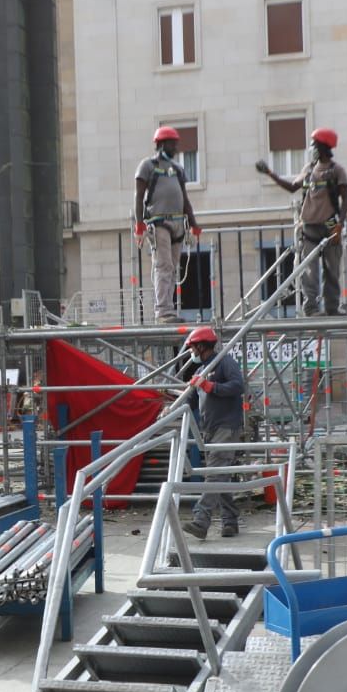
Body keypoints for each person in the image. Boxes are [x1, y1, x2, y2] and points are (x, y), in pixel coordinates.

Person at [257, 128, 347, 317]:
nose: (312, 148)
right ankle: (311, 308)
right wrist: (269, 173)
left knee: (332, 268)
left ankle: (332, 307)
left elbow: (345, 199)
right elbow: (292, 187)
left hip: (331, 223)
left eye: (315, 144)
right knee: (310, 271)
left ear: (324, 146)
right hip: (309, 225)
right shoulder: (308, 169)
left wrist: (340, 223)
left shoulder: (337, 170)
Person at [179, 326, 245, 539]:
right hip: (209, 430)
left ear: (201, 346)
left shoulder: (224, 362)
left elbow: (238, 386)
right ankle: (230, 521)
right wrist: (172, 406)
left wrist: (211, 387)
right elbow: (191, 400)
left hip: (227, 427)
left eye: (192, 348)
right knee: (220, 475)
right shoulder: (200, 371)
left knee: (216, 474)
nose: (191, 353)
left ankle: (201, 520)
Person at [133, 126, 201, 323]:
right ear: (161, 144)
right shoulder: (147, 166)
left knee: (172, 268)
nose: (176, 147)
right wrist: (139, 225)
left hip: (178, 223)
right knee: (163, 265)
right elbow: (138, 197)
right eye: (172, 143)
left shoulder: (177, 169)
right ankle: (162, 311)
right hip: (159, 222)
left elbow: (185, 199)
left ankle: (168, 309)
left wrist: (194, 224)